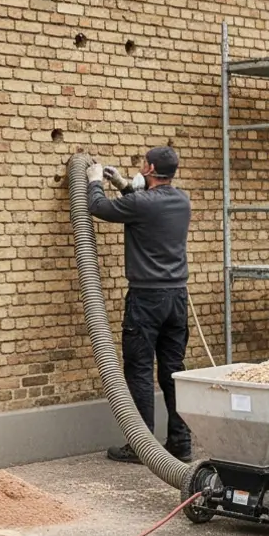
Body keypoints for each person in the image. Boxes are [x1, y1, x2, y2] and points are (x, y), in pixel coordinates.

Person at [87, 146, 193, 464]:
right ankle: (181, 443)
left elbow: (98, 207)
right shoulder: (182, 201)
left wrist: (94, 180)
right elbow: (141, 203)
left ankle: (141, 444)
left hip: (146, 300)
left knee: (140, 371)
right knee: (173, 371)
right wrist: (122, 182)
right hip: (177, 298)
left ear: (148, 168)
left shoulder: (141, 204)